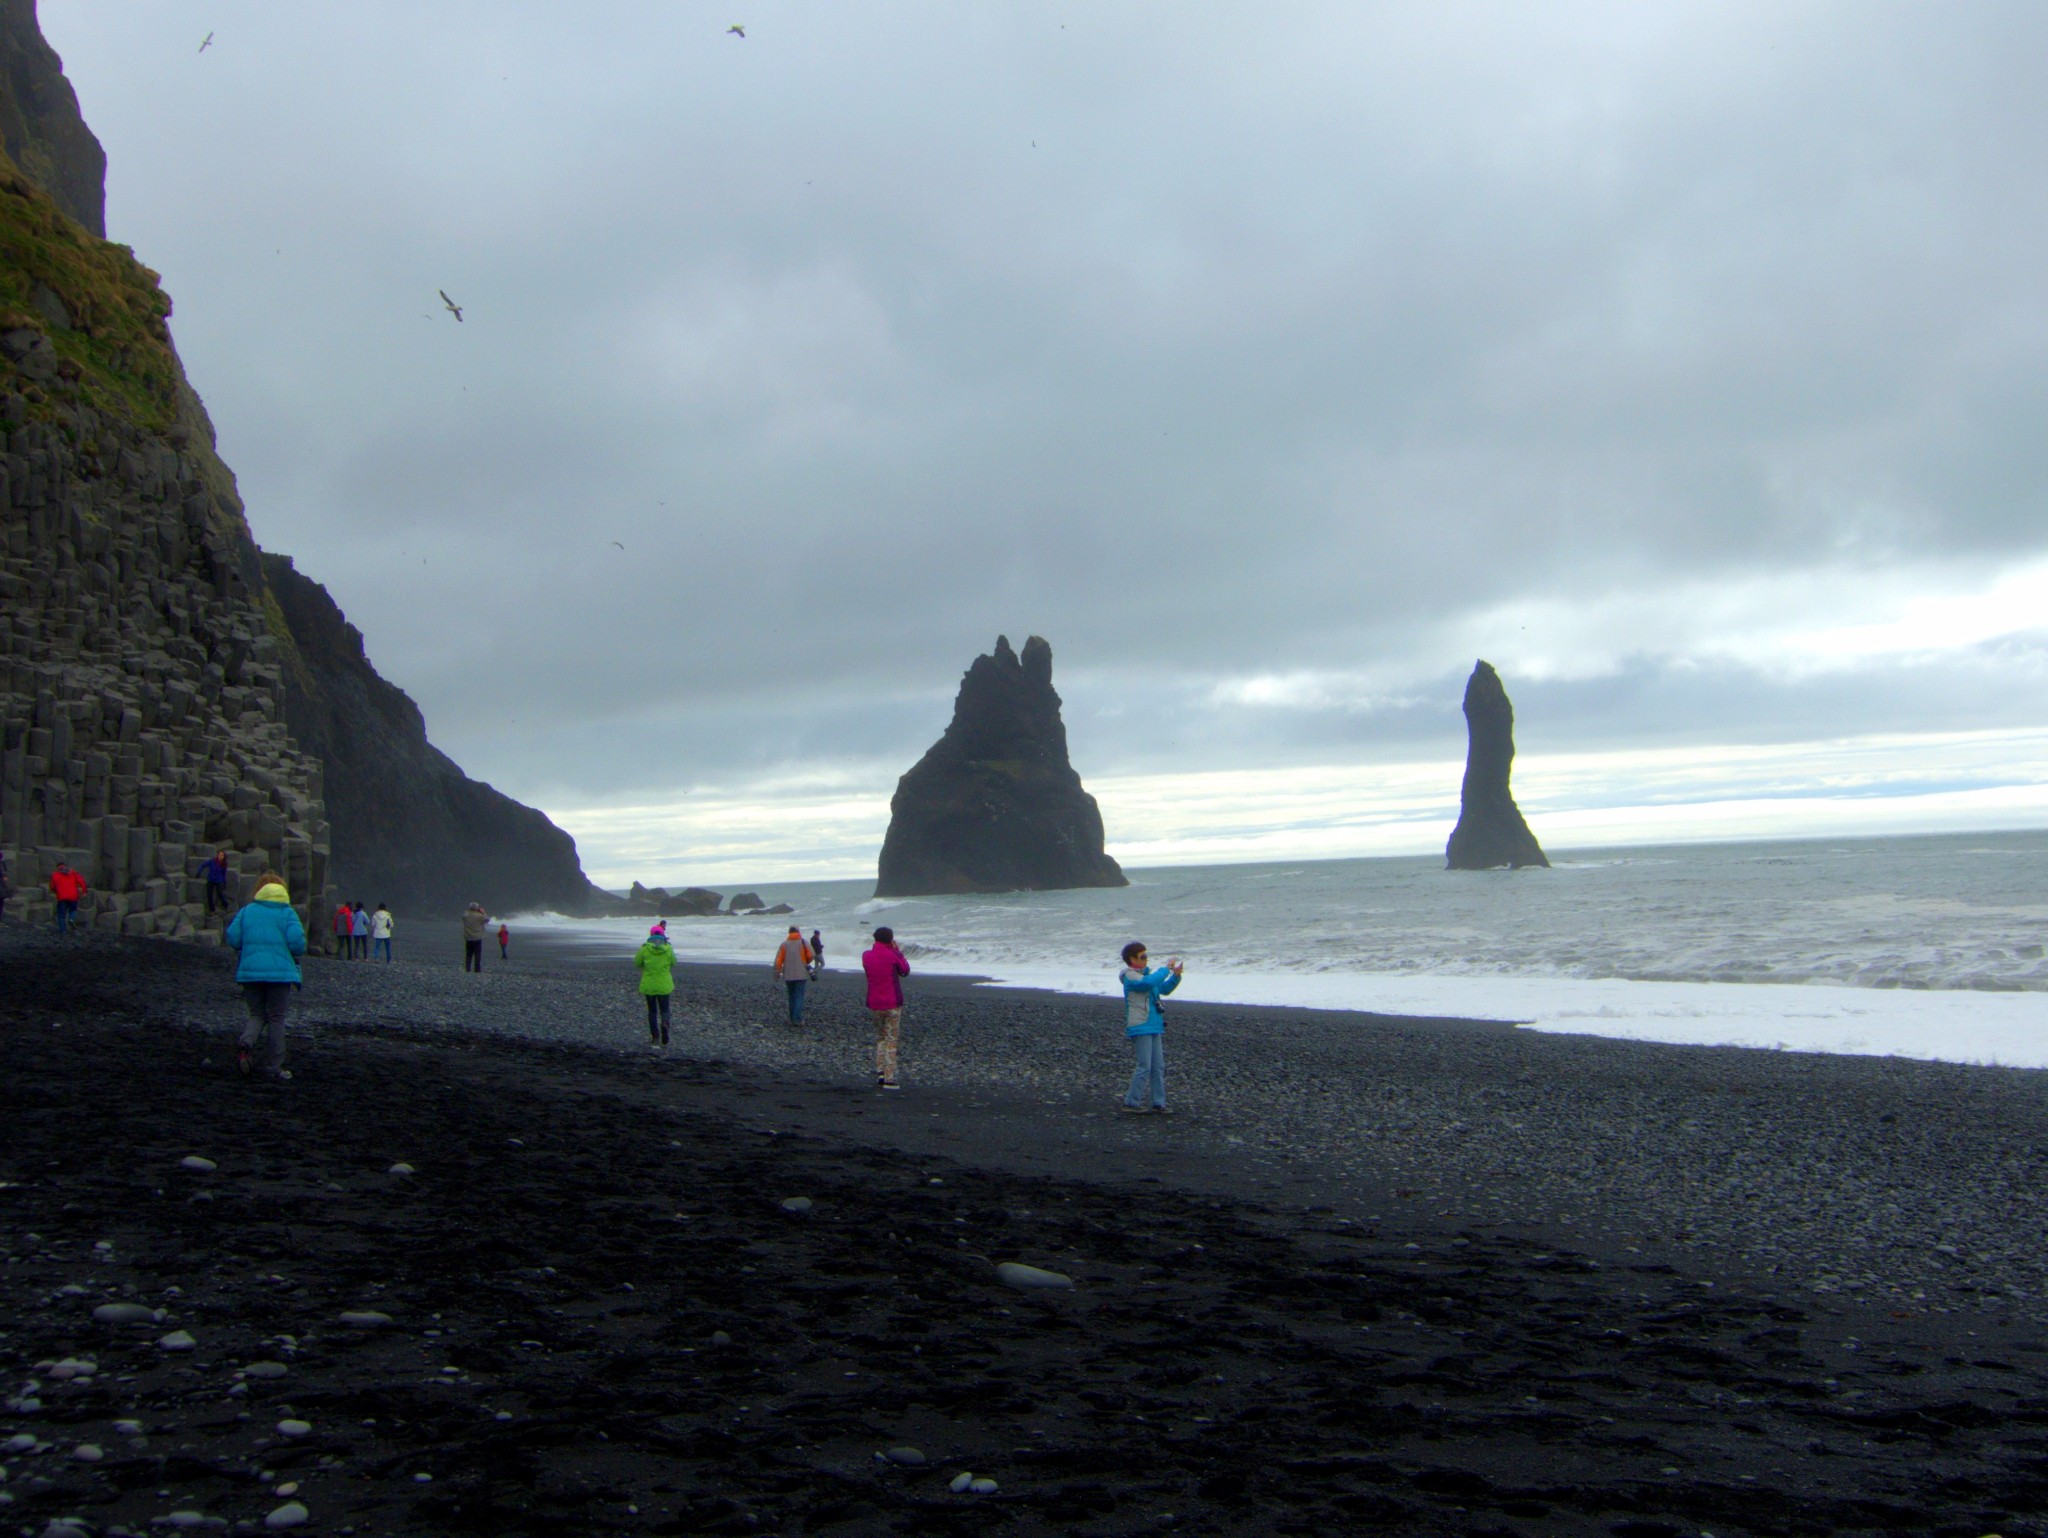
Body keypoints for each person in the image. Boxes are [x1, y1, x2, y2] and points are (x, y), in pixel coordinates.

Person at [224, 872, 307, 1082]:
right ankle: (274, 1066)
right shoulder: (287, 913)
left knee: (257, 1013)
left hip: (250, 972)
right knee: (277, 1018)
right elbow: (298, 944)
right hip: (280, 975)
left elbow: (233, 938)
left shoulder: (247, 911)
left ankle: (247, 1042)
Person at [1118, 941, 1183, 1114]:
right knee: (1144, 1065)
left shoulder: (1146, 977)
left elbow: (1163, 988)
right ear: (1132, 959)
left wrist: (1175, 976)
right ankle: (1131, 1102)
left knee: (1158, 1066)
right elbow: (1148, 983)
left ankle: (1158, 1103)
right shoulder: (1131, 977)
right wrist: (1166, 968)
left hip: (1154, 1025)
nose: (1146, 960)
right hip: (1141, 1026)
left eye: (1146, 956)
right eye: (1142, 957)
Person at [862, 925, 910, 1090]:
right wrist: (897, 951)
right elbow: (905, 970)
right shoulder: (892, 955)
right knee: (891, 1040)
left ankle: (881, 1072)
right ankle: (889, 1078)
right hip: (892, 1002)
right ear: (890, 940)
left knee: (880, 1038)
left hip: (875, 1002)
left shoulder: (866, 956)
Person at [635, 921, 677, 1047]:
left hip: (649, 984)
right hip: (664, 984)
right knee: (665, 1010)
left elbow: (637, 963)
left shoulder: (644, 948)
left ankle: (655, 1036)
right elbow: (674, 963)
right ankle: (665, 1024)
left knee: (652, 1011)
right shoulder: (668, 948)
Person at [772, 925, 813, 1024]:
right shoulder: (803, 943)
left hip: (788, 974)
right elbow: (811, 955)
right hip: (801, 973)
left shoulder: (784, 944)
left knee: (791, 995)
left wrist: (777, 973)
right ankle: (797, 1018)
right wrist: (805, 962)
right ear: (798, 932)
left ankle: (792, 1017)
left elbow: (778, 961)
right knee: (799, 995)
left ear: (789, 932)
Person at [48, 860, 87, 934]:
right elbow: (81, 881)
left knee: (61, 914)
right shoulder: (72, 872)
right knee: (73, 910)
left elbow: (52, 887)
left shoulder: (55, 875)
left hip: (62, 897)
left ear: (57, 867)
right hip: (73, 896)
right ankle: (71, 919)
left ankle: (63, 930)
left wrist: (57, 891)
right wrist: (84, 891)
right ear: (65, 866)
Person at [461, 902, 490, 971]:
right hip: (477, 937)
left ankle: (467, 968)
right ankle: (477, 969)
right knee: (477, 954)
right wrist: (483, 912)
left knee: (468, 954)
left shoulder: (465, 915)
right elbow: (487, 919)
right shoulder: (479, 916)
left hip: (468, 937)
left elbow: (464, 915)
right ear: (477, 908)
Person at [203, 849, 232, 915]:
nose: (220, 856)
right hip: (211, 880)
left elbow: (223, 874)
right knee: (209, 895)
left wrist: (224, 882)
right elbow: (203, 865)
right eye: (219, 855)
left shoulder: (224, 864)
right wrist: (199, 872)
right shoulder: (212, 861)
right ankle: (212, 910)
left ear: (224, 857)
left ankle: (226, 905)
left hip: (219, 880)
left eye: (222, 855)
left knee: (220, 894)